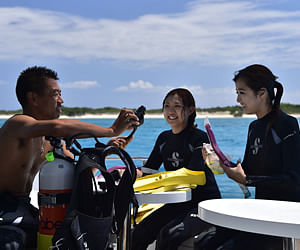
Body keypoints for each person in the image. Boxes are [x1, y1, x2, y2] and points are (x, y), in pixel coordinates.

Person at [0, 66, 139, 249]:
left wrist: (108, 148)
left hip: (29, 209)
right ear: (33, 98)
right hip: (5, 210)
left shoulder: (51, 141)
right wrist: (110, 130)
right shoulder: (17, 124)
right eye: (55, 94)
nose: (61, 100)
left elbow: (77, 166)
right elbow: (58, 126)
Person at [201, 64, 300, 250]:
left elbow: (294, 179)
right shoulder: (254, 128)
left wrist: (248, 179)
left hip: (284, 218)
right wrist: (219, 163)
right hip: (260, 211)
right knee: (204, 243)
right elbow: (247, 171)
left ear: (261, 93)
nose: (238, 99)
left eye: (242, 92)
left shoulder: (287, 124)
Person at [131, 88, 221, 250]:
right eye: (166, 106)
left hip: (202, 203)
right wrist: (127, 174)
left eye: (177, 106)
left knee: (171, 234)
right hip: (178, 203)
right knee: (139, 232)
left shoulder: (199, 137)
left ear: (190, 110)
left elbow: (193, 175)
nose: (170, 111)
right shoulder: (163, 138)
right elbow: (149, 170)